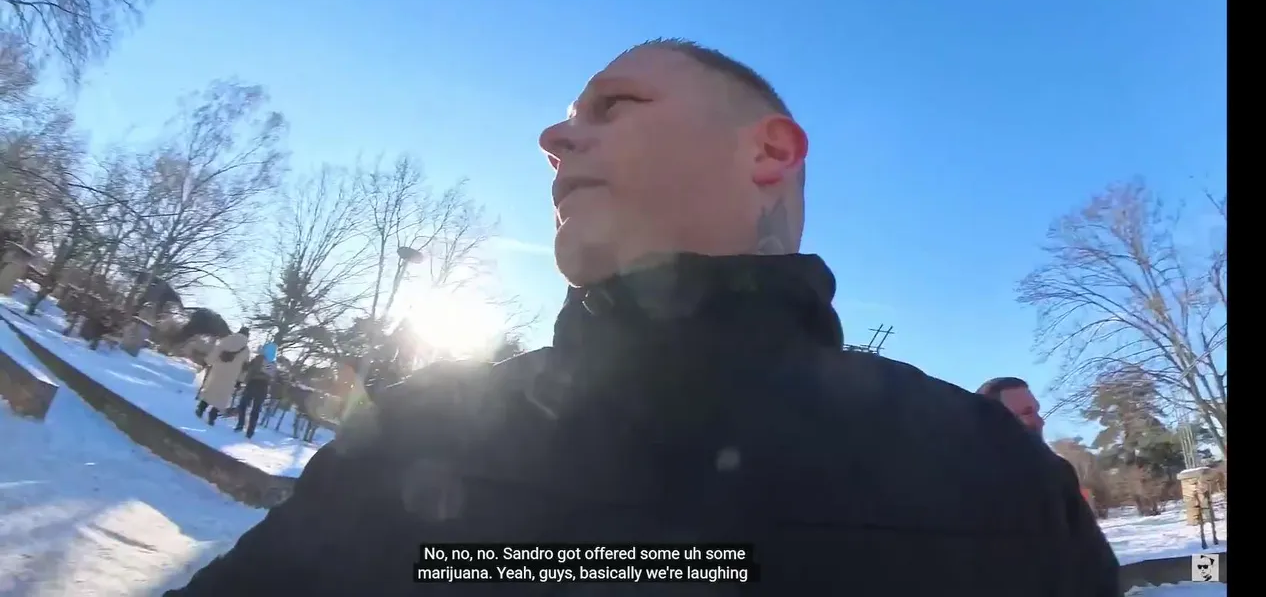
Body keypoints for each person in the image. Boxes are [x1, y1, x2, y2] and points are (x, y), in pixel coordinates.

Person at [168, 40, 1118, 595]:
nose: (554, 137)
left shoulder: (999, 478)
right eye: (565, 120)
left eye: (612, 105)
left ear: (768, 153)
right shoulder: (419, 431)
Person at [978, 376, 1102, 517]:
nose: (1040, 422)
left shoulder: (1059, 472)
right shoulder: (966, 486)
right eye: (1027, 413)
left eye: (1036, 411)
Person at [195, 327, 251, 426]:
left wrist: (208, 361)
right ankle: (212, 416)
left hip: (218, 370)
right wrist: (240, 380)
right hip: (232, 375)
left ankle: (201, 409)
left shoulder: (227, 340)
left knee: (211, 390)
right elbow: (245, 368)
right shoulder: (246, 350)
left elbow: (216, 351)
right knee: (222, 396)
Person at [234, 342, 277, 438]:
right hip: (264, 387)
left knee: (243, 405)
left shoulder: (259, 358)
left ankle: (240, 424)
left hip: (253, 383)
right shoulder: (274, 364)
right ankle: (250, 431)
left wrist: (245, 381)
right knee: (256, 410)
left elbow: (250, 370)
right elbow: (272, 378)